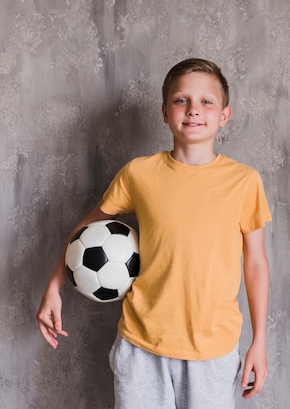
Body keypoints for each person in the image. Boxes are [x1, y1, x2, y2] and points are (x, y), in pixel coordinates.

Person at [36, 58, 272, 408]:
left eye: (206, 101)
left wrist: (259, 342)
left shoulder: (244, 181)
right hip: (142, 345)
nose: (193, 110)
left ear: (224, 114)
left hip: (213, 350)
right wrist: (54, 287)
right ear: (165, 112)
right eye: (181, 100)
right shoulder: (139, 174)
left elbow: (255, 264)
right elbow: (85, 232)